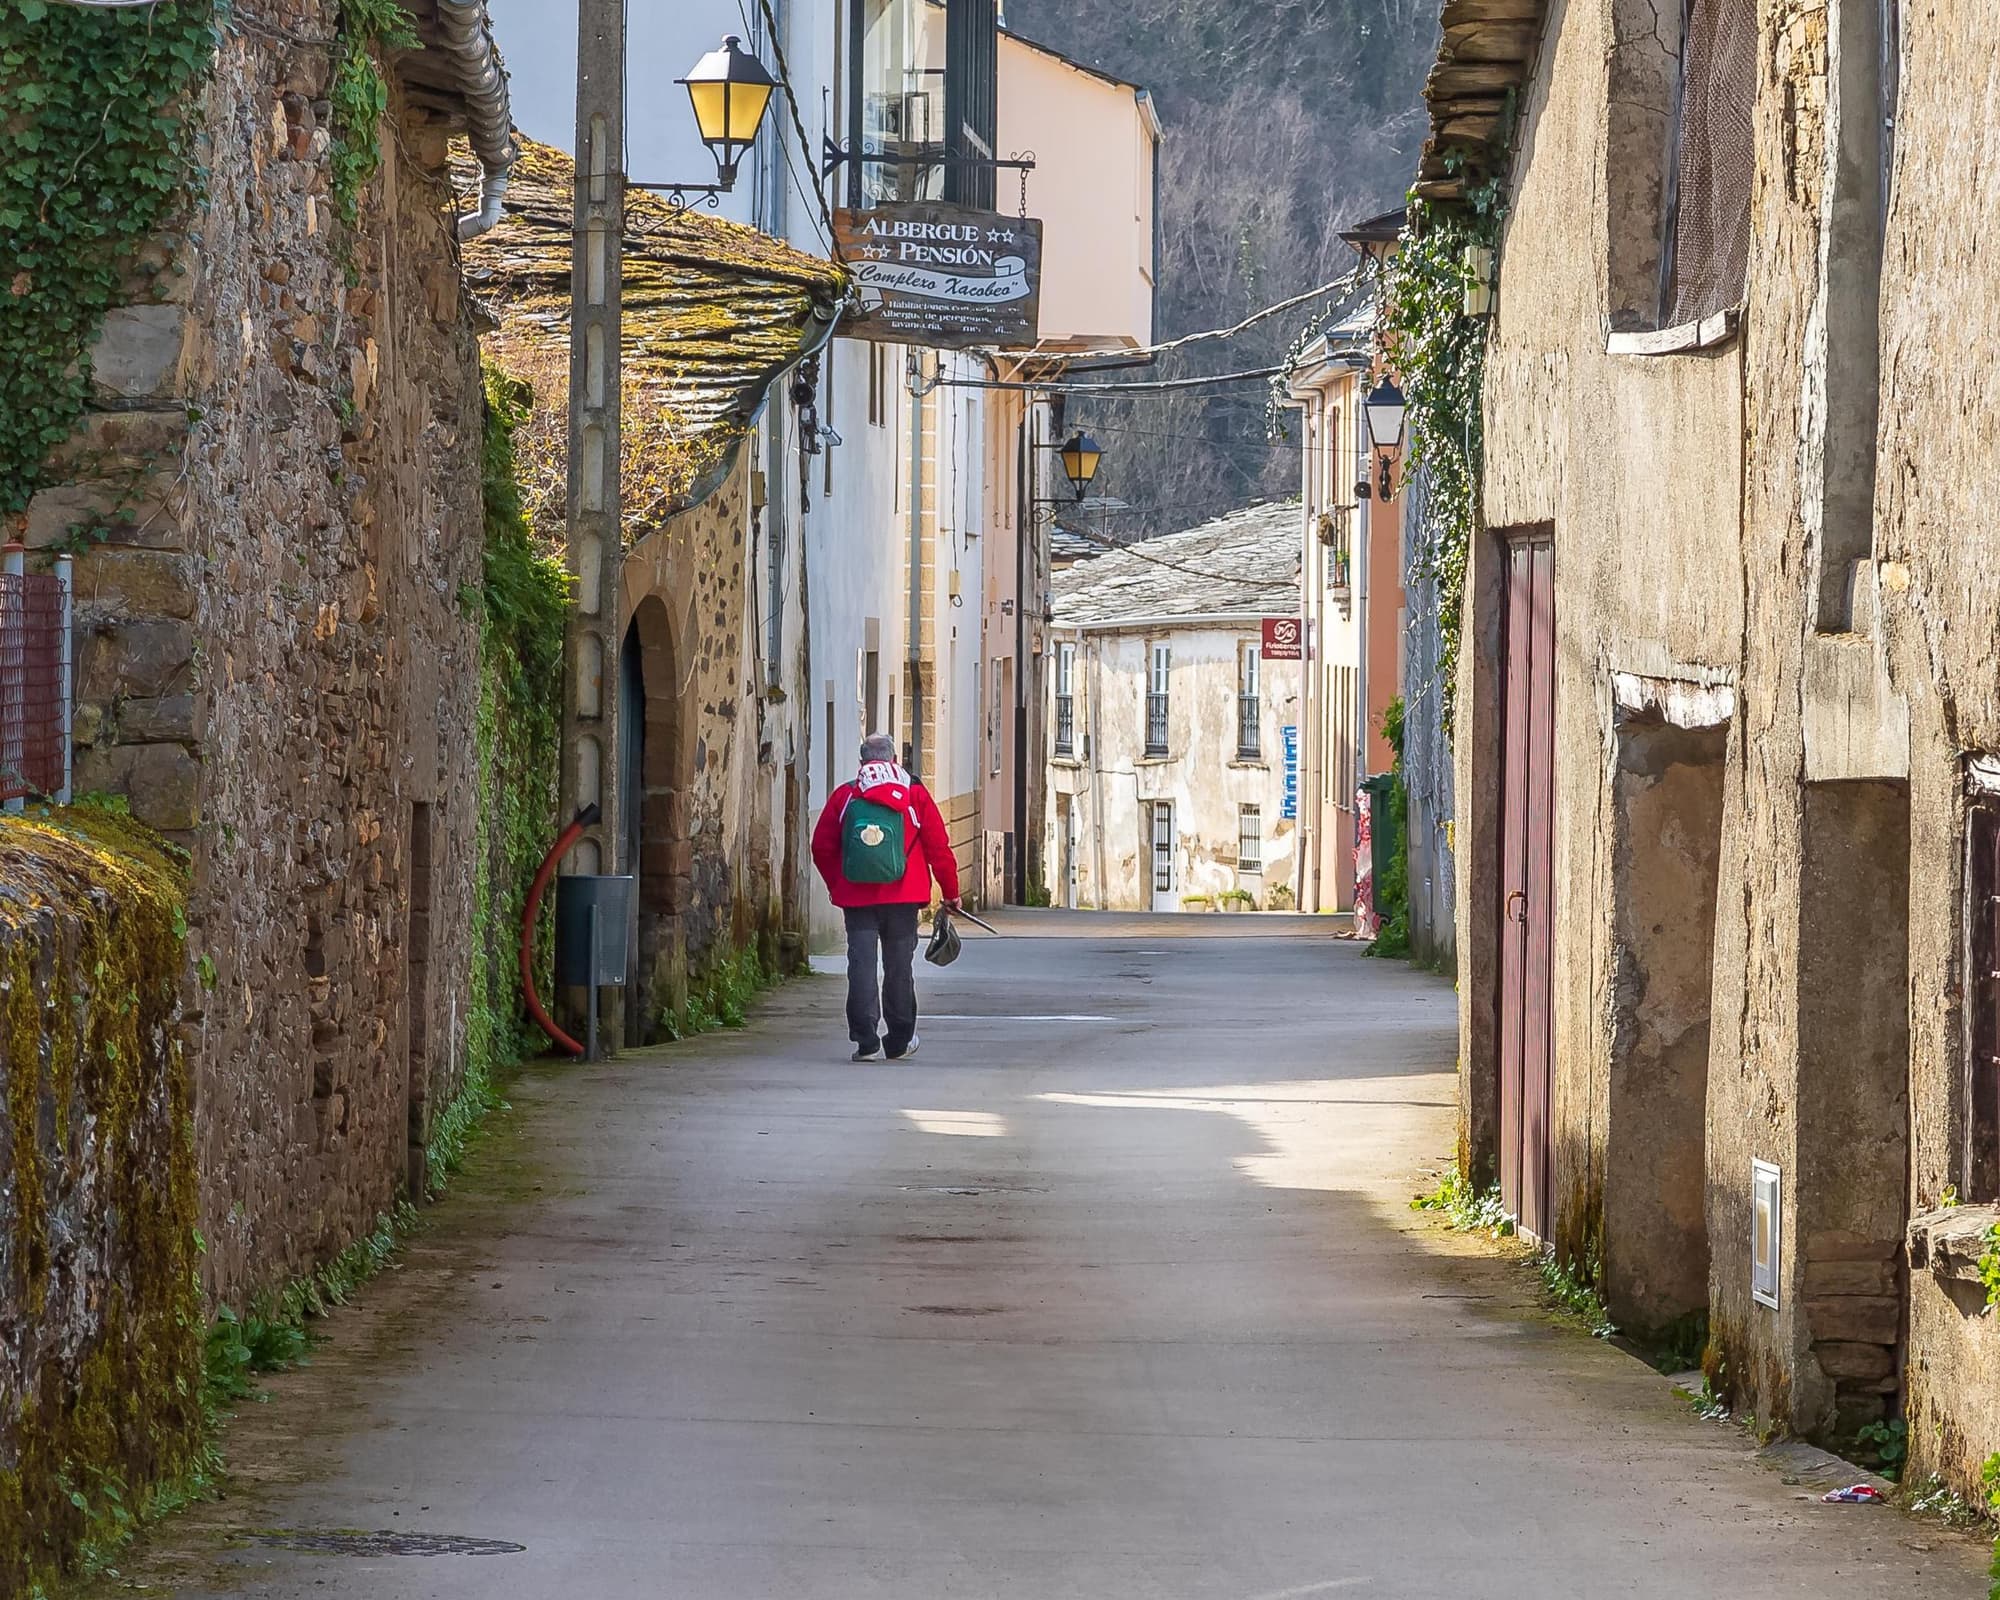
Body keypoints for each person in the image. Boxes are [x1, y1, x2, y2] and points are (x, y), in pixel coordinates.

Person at [811, 734, 962, 1061]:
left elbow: (821, 846)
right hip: (903, 899)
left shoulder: (847, 796)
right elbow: (939, 849)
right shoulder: (915, 795)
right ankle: (899, 1039)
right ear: (894, 760)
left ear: (863, 762)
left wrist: (838, 883)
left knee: (861, 964)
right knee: (898, 966)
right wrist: (951, 893)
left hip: (857, 898)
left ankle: (865, 1041)